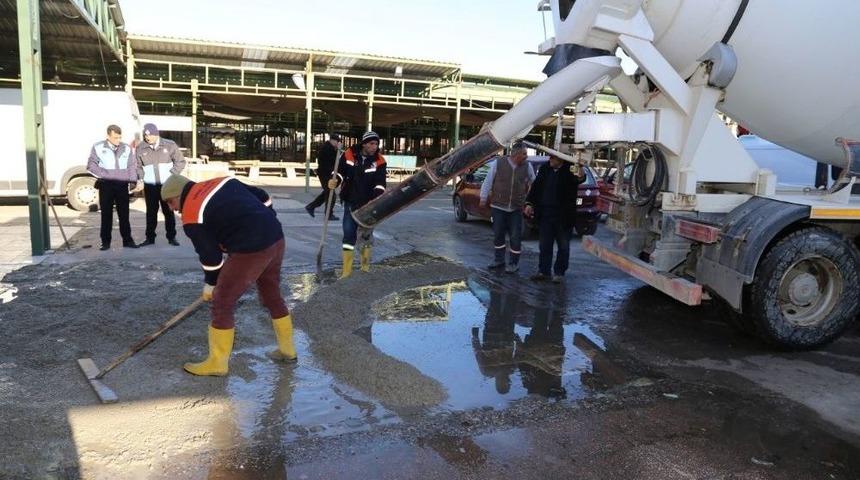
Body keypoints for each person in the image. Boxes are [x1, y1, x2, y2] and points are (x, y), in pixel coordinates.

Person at [159, 174, 296, 376]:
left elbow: (211, 256)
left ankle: (217, 363)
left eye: (170, 202)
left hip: (251, 249)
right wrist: (267, 217)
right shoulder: (222, 181)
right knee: (271, 294)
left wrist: (211, 284)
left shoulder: (192, 215)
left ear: (178, 195)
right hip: (275, 237)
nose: (172, 209)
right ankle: (288, 351)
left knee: (222, 301)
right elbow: (262, 196)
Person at [328, 131, 386, 279]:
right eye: (372, 143)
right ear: (364, 143)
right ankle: (347, 271)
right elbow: (340, 172)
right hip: (350, 201)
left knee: (366, 236)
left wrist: (376, 199)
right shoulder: (348, 155)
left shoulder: (379, 161)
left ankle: (364, 268)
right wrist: (335, 181)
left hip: (368, 205)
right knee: (348, 234)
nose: (375, 147)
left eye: (376, 144)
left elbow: (380, 183)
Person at [524, 155, 587, 283]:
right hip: (546, 214)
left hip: (563, 216)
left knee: (563, 246)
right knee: (544, 245)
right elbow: (536, 187)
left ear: (561, 159)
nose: (550, 160)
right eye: (550, 158)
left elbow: (580, 179)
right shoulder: (545, 169)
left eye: (553, 158)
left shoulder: (570, 169)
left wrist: (581, 170)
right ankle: (544, 271)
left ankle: (559, 273)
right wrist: (529, 203)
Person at [479, 141, 535, 273]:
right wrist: (483, 197)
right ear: (516, 154)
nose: (526, 156)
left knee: (515, 236)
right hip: (498, 206)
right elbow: (488, 181)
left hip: (516, 208)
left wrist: (530, 202)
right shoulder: (498, 163)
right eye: (524, 154)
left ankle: (513, 263)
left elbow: (535, 183)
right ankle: (499, 260)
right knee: (498, 234)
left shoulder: (527, 166)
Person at [86, 124, 139, 251]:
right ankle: (105, 242)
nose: (118, 140)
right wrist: (104, 174)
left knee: (124, 215)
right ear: (108, 136)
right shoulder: (98, 147)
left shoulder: (126, 148)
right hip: (106, 185)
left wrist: (133, 181)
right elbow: (91, 165)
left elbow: (131, 165)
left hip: (122, 185)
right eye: (115, 137)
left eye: (120, 137)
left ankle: (127, 240)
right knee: (106, 214)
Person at [134, 123, 186, 246]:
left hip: (167, 186)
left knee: (168, 211)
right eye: (146, 136)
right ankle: (150, 238)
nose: (148, 138)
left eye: (150, 135)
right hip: (150, 186)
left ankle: (171, 237)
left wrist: (172, 174)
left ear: (157, 134)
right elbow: (137, 166)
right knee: (151, 213)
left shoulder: (169, 145)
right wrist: (140, 179)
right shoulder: (141, 148)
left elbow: (180, 162)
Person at [304, 134, 342, 220]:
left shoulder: (330, 148)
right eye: (337, 141)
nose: (337, 143)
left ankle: (311, 206)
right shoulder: (327, 148)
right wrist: (337, 152)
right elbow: (331, 161)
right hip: (325, 174)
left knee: (327, 192)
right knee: (331, 193)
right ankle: (328, 214)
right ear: (332, 140)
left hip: (326, 173)